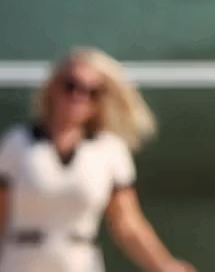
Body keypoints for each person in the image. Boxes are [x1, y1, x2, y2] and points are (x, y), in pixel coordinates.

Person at [0, 46, 196, 272]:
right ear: (53, 87)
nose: (78, 97)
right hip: (21, 263)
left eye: (92, 91)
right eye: (71, 85)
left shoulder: (109, 150)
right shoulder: (17, 143)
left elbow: (127, 223)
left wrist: (165, 265)